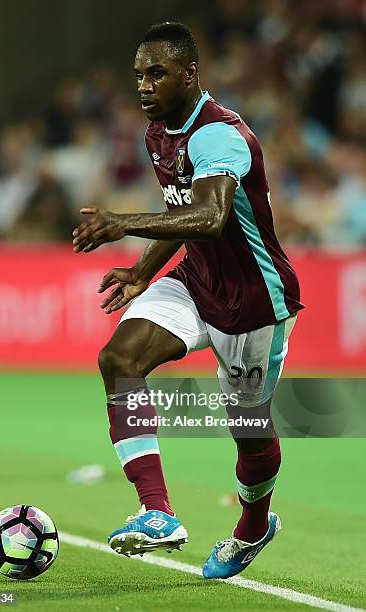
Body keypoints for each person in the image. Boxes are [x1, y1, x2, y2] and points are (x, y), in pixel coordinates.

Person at [72, 22, 304, 579]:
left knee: (248, 429)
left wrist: (120, 224)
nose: (144, 85)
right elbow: (182, 215)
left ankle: (253, 526)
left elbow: (211, 216)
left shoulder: (218, 135)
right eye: (138, 75)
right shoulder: (158, 134)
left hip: (254, 299)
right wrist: (141, 271)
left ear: (190, 73)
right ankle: (156, 512)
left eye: (157, 73)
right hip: (197, 281)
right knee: (119, 360)